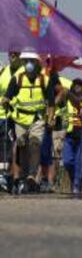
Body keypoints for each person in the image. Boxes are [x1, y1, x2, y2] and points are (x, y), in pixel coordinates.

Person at [1, 52, 56, 194]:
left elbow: (51, 102)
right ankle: (21, 177)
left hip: (37, 119)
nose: (29, 64)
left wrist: (50, 118)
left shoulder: (44, 80)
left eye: (31, 61)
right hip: (20, 119)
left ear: (38, 63)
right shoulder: (17, 79)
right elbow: (8, 95)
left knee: (35, 143)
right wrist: (5, 100)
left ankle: (31, 176)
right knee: (21, 146)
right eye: (26, 61)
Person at [0, 52, 24, 192]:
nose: (13, 55)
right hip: (2, 116)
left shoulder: (24, 73)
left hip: (17, 117)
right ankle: (3, 177)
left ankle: (16, 178)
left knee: (14, 149)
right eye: (11, 52)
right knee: (3, 148)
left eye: (17, 52)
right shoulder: (3, 71)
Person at [62, 78, 82, 194]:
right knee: (67, 161)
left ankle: (77, 185)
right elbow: (63, 112)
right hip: (69, 134)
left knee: (80, 162)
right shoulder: (67, 99)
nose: (77, 87)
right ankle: (73, 179)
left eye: (80, 85)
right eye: (75, 85)